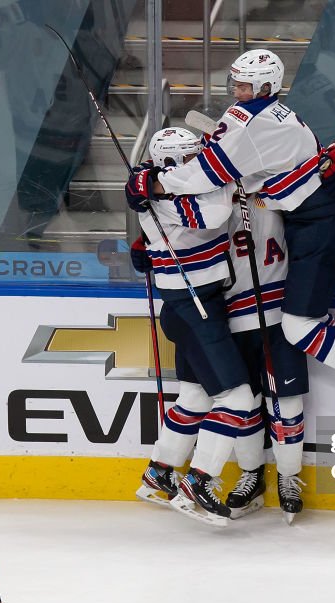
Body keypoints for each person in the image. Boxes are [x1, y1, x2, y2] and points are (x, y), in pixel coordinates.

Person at [125, 48, 335, 427]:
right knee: (302, 323)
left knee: (299, 325)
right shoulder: (269, 115)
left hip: (321, 225)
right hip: (312, 222)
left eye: (245, 85)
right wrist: (163, 243)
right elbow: (241, 179)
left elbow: (207, 176)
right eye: (236, 83)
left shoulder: (253, 122)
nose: (238, 91)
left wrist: (153, 182)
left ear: (267, 85)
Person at [129, 127, 253, 527]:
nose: (198, 164)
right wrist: (228, 178)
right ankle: (199, 481)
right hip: (195, 306)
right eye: (191, 158)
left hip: (187, 305)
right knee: (237, 399)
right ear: (172, 163)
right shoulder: (171, 202)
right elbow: (215, 215)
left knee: (197, 396)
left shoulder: (158, 187)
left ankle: (160, 472)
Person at [221, 191, 309, 524]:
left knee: (287, 402)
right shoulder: (208, 195)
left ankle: (288, 477)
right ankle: (251, 475)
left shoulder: (277, 187)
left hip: (278, 314)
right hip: (230, 316)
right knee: (244, 403)